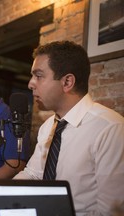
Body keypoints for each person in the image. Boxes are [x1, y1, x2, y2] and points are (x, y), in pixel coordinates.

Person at [13, 41, 124, 215]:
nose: (30, 84)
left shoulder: (110, 129)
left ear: (67, 82)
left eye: (39, 76)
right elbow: (33, 174)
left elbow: (110, 212)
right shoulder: (48, 126)